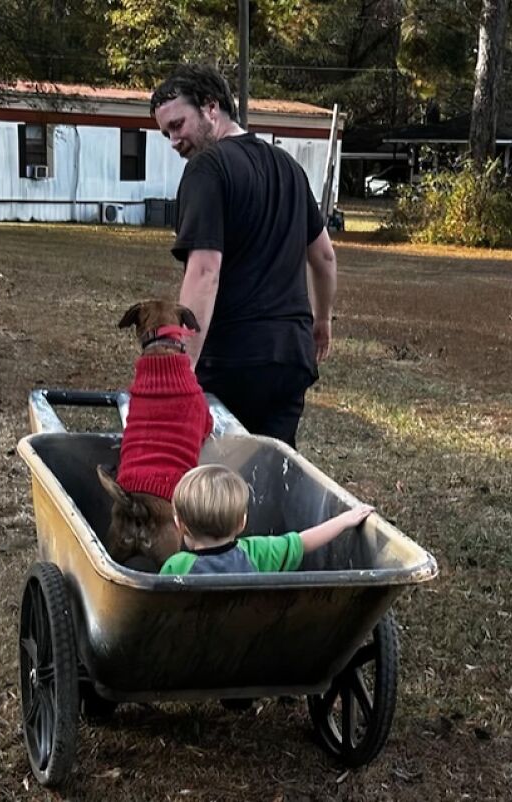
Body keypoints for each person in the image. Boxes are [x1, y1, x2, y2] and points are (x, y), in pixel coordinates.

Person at [150, 65, 338, 449]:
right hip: (291, 357)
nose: (173, 140)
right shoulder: (290, 168)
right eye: (166, 132)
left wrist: (180, 369)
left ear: (211, 108)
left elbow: (204, 273)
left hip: (234, 359)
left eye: (178, 124)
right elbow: (324, 257)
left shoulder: (208, 168)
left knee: (211, 488)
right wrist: (321, 322)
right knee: (271, 476)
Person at [160, 464, 373, 576]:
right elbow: (303, 541)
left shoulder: (177, 566)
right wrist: (344, 520)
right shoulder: (257, 553)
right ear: (242, 523)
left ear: (180, 525)